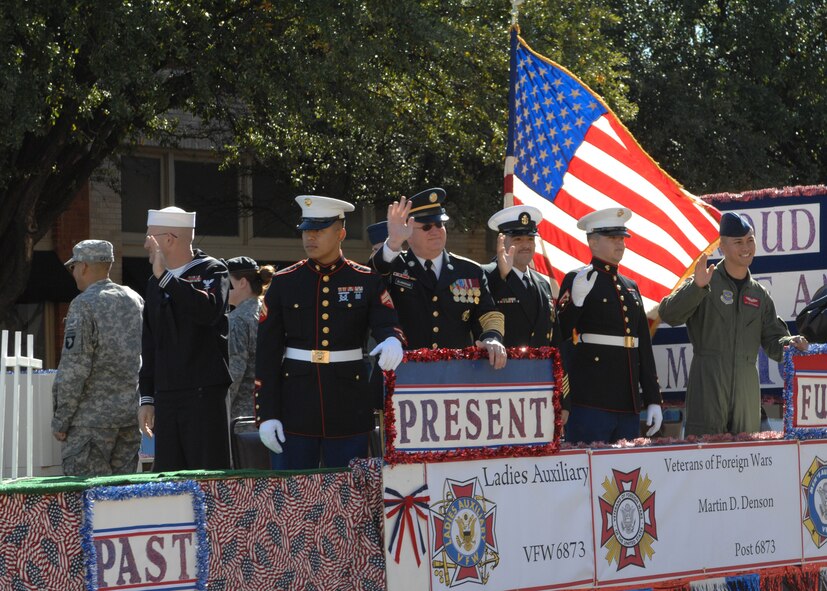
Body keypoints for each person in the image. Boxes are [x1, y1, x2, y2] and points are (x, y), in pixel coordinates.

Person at [255, 195, 405, 469]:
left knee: (349, 497)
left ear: (341, 233)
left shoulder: (365, 280)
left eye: (319, 230)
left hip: (348, 407)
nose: (310, 237)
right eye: (306, 230)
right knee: (293, 498)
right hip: (295, 407)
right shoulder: (285, 282)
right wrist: (267, 414)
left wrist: (392, 339)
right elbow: (266, 354)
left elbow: (385, 320)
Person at [659, 212, 808, 436]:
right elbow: (669, 314)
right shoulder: (705, 280)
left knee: (746, 461)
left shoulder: (760, 294)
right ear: (722, 246)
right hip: (708, 386)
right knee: (705, 459)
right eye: (738, 242)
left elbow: (774, 341)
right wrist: (696, 288)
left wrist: (791, 343)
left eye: (750, 240)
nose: (746, 247)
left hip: (746, 395)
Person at [557, 208, 663, 444]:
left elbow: (642, 347)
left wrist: (653, 399)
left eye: (622, 238)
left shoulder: (630, 286)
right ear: (593, 242)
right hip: (591, 400)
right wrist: (575, 302)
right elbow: (560, 333)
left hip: (628, 401)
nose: (620, 243)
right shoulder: (579, 279)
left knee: (625, 474)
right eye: (612, 238)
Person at [138, 206, 232, 471]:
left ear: (169, 239)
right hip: (166, 396)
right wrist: (147, 398)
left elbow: (208, 312)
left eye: (150, 237)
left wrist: (167, 279)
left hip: (202, 393)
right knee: (168, 476)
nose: (145, 244)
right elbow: (150, 343)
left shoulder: (212, 270)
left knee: (207, 472)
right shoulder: (154, 282)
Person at [370, 188, 507, 368]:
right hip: (406, 371)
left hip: (456, 374)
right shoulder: (395, 265)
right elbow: (372, 276)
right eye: (426, 227)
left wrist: (492, 338)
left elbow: (488, 314)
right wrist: (393, 243)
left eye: (439, 224)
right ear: (408, 233)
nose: (435, 231)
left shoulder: (470, 270)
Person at [52, 240, 144, 477]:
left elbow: (75, 368)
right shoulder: (135, 299)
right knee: (123, 501)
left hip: (90, 425)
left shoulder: (83, 305)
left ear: (82, 266)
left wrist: (62, 420)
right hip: (128, 420)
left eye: (73, 267)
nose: (73, 273)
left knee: (87, 502)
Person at [482, 205, 570, 424]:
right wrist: (504, 276)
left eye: (530, 240)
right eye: (518, 239)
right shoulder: (486, 275)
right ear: (502, 241)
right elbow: (486, 315)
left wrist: (563, 398)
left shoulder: (542, 283)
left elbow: (556, 343)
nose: (525, 246)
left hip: (540, 390)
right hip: (499, 390)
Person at [226, 256, 275, 419]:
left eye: (227, 281)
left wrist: (218, 411)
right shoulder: (269, 314)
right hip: (269, 411)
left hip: (240, 418)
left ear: (242, 283)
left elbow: (234, 374)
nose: (223, 287)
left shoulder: (237, 320)